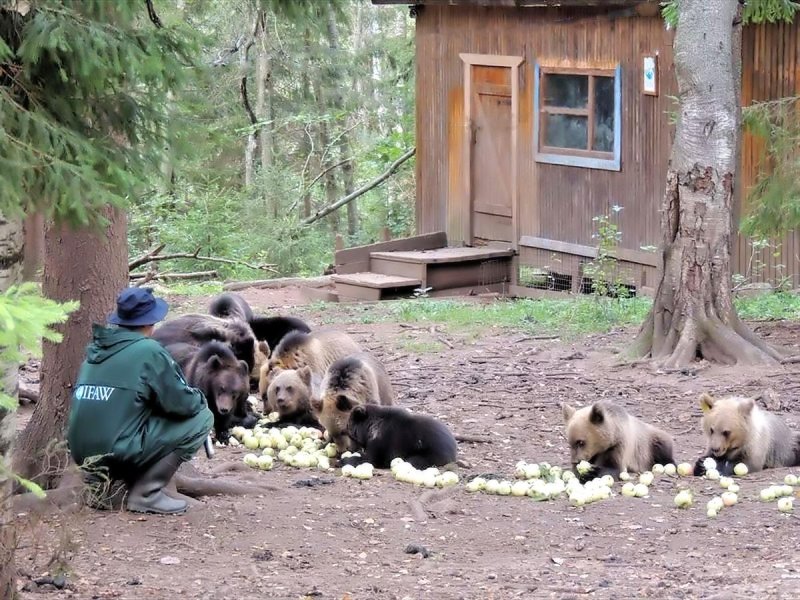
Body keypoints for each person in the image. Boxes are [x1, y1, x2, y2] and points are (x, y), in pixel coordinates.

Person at [67, 287, 214, 515]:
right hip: (116, 448)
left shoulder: (95, 349)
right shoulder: (148, 351)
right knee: (202, 417)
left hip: (79, 450)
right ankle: (146, 494)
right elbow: (183, 404)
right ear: (151, 323)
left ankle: (98, 489)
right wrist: (199, 398)